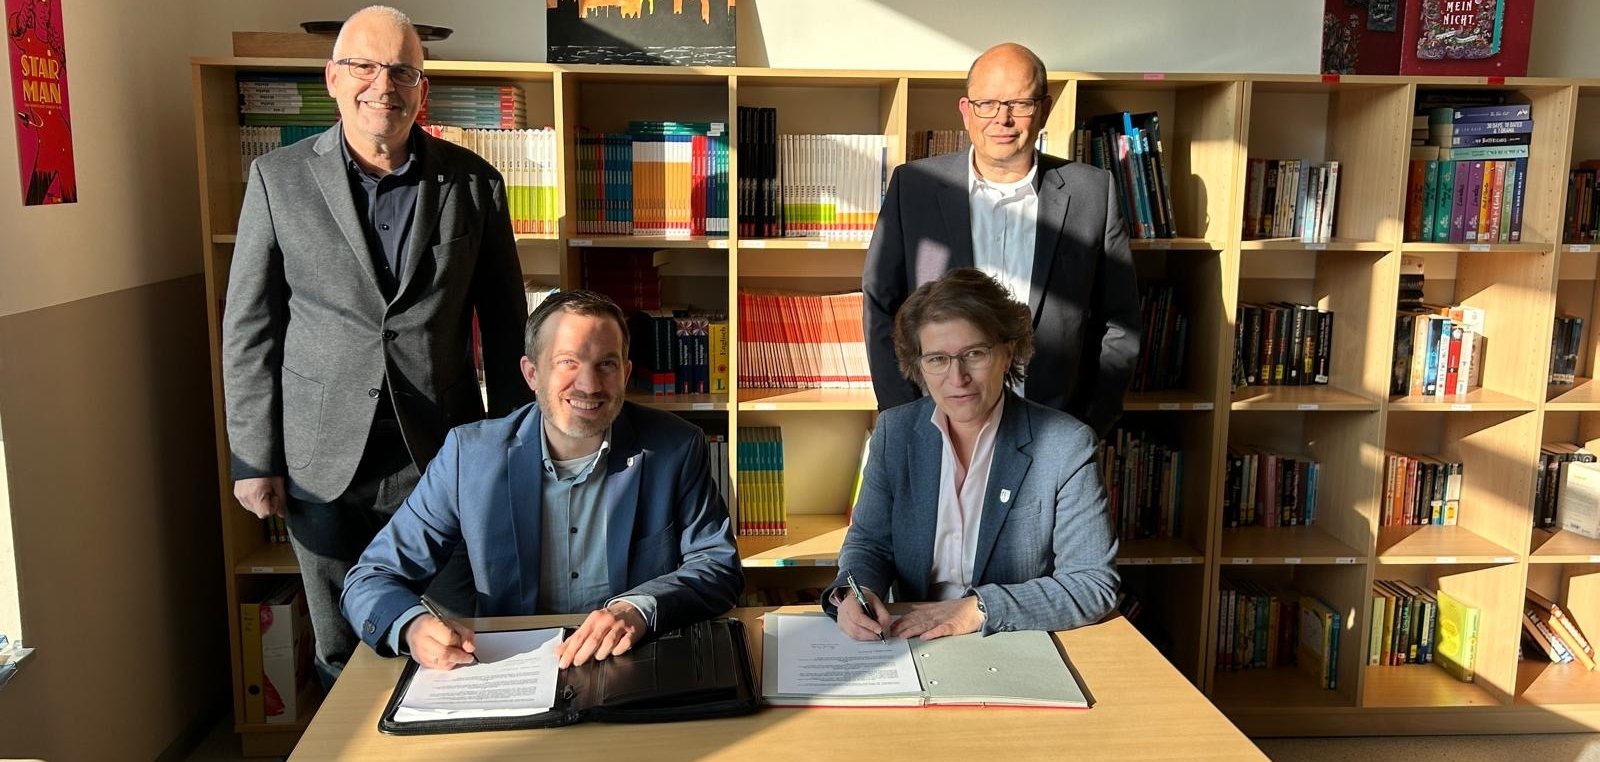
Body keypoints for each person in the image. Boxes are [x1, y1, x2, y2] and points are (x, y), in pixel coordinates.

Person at [222, 5, 531, 683]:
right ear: (333, 78)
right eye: (363, 66)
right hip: (320, 459)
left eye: (401, 71)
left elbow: (508, 327)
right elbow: (250, 326)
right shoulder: (278, 180)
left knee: (459, 641)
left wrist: (514, 451)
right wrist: (253, 456)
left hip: (442, 454)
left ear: (423, 88)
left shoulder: (474, 183)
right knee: (341, 651)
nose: (382, 85)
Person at [341, 290, 744, 670]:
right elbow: (370, 578)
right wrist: (411, 627)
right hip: (513, 668)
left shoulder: (675, 448)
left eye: (606, 364)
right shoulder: (470, 457)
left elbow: (718, 567)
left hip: (630, 663)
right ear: (532, 373)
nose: (589, 385)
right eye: (568, 362)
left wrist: (638, 608)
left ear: (625, 373)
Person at [863, 42, 1141, 438]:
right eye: (987, 103)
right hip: (935, 426)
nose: (1002, 119)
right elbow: (880, 305)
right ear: (966, 110)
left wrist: (1086, 427)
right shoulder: (915, 187)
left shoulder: (1092, 193)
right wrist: (907, 418)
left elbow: (1120, 322)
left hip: (1051, 430)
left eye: (1020, 104)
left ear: (1044, 109)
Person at [827, 268, 1118, 641]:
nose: (957, 378)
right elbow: (870, 543)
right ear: (919, 366)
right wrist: (858, 591)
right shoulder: (894, 434)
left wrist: (978, 609)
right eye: (937, 359)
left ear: (1007, 352)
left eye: (974, 353)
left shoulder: (1065, 445)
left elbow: (1093, 583)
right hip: (911, 637)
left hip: (1011, 638)